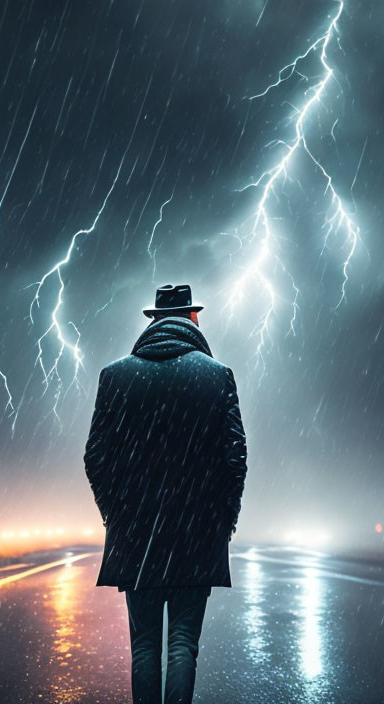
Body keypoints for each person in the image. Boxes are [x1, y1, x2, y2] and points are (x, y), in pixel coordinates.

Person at [83, 283, 248, 704]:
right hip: (196, 534)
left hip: (136, 533)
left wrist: (115, 513)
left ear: (154, 321)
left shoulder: (116, 376)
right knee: (182, 645)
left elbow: (95, 457)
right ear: (193, 319)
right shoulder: (217, 376)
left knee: (144, 648)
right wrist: (221, 522)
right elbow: (235, 459)